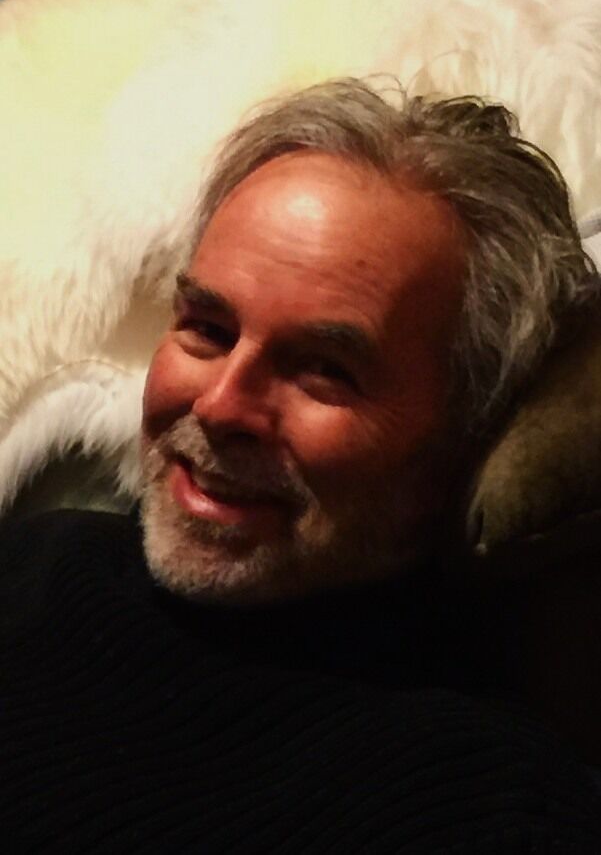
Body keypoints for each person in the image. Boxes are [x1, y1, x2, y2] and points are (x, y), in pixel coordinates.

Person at [1, 79, 599, 852]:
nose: (220, 405)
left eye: (323, 369)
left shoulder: (478, 797)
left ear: (462, 431)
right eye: (208, 328)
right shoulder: (39, 560)